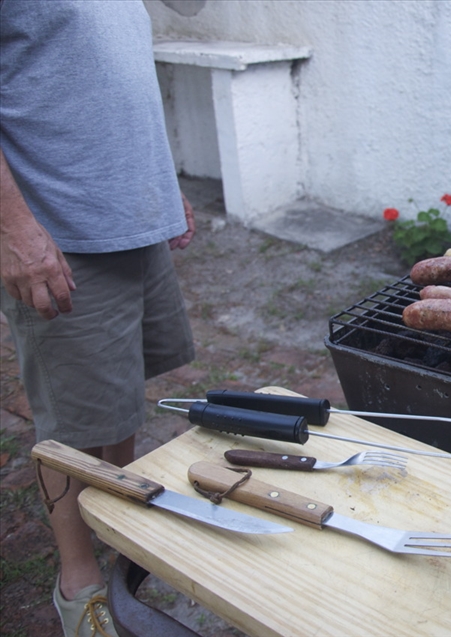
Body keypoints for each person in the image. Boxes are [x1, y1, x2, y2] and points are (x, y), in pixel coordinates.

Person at [0, 2, 196, 635]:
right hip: (59, 224)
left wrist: (161, 182)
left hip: (133, 211)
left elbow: (107, 76)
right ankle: (77, 581)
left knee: (119, 393)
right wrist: (14, 227)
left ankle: (116, 532)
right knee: (71, 420)